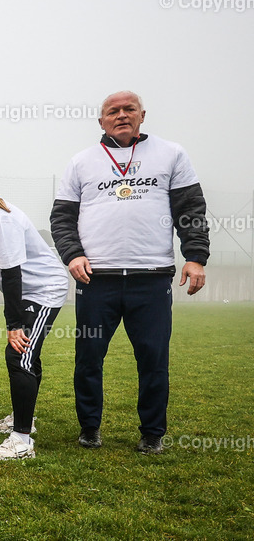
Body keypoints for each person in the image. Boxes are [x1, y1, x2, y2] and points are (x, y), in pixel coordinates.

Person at [50, 91, 209, 454]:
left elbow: (191, 208)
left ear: (142, 115)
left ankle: (152, 433)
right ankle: (89, 428)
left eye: (129, 110)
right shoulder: (81, 161)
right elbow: (61, 218)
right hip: (96, 279)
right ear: (101, 120)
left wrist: (195, 255)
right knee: (88, 358)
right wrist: (72, 255)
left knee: (153, 360)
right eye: (113, 111)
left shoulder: (171, 153)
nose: (121, 115)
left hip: (151, 278)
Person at [0, 160, 69, 460]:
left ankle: (21, 441)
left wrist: (14, 324)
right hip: (26, 292)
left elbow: (12, 274)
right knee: (25, 356)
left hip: (43, 290)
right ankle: (24, 418)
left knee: (19, 353)